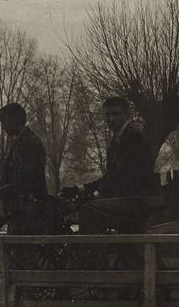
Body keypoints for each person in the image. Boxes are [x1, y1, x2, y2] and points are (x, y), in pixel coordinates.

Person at [65, 96, 157, 234]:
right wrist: (79, 189)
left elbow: (122, 175)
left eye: (116, 114)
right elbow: (109, 177)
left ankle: (93, 255)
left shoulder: (136, 138)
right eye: (107, 115)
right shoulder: (116, 141)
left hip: (137, 202)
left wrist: (95, 196)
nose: (111, 119)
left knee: (88, 211)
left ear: (127, 115)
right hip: (124, 201)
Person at [0, 103, 50, 235]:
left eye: (5, 121)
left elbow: (24, 182)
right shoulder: (17, 143)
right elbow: (7, 179)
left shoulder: (30, 142)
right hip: (20, 207)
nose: (3, 127)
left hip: (32, 206)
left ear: (16, 119)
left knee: (22, 250)